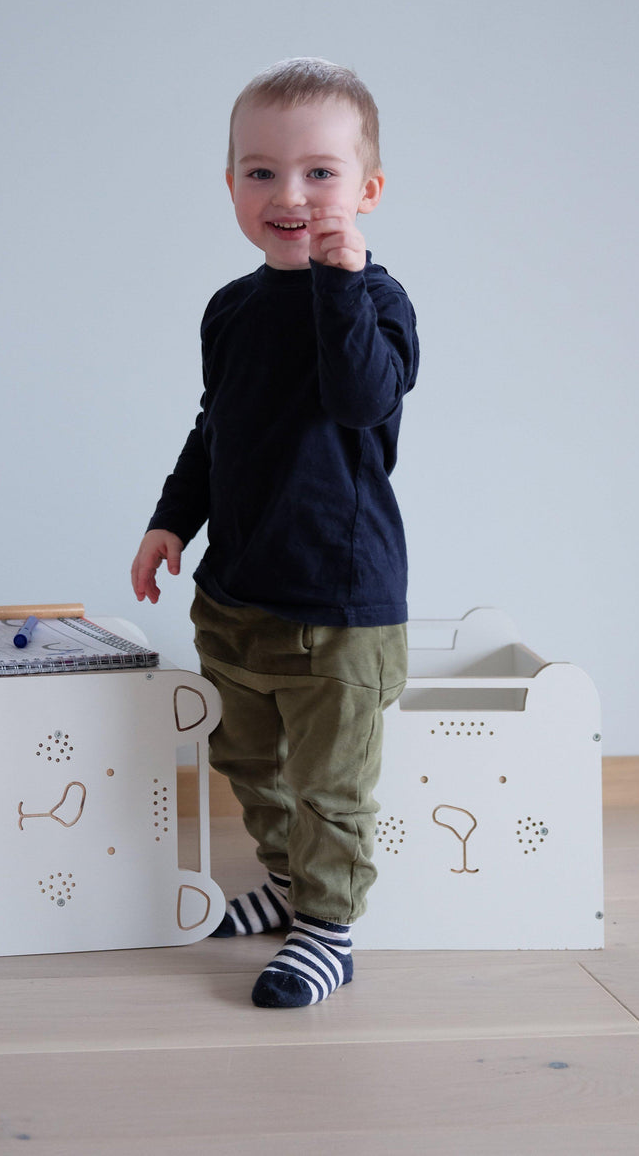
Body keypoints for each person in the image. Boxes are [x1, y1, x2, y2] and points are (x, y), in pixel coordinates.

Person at [130, 57, 419, 1008]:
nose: (289, 195)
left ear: (368, 190)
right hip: (237, 595)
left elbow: (361, 398)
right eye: (261, 172)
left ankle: (328, 929)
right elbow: (214, 428)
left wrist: (341, 281)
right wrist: (172, 519)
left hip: (339, 603)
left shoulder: (377, 302)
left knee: (331, 785)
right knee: (250, 761)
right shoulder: (230, 309)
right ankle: (289, 885)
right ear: (231, 187)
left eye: (319, 173)